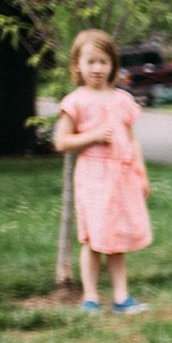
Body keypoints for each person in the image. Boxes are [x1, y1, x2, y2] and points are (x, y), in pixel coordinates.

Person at [53, 29, 153, 313]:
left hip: (121, 178)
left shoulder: (122, 99)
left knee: (117, 238)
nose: (97, 68)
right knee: (94, 239)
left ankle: (122, 297)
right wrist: (93, 135)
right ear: (77, 65)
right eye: (91, 62)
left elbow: (132, 140)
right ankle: (91, 297)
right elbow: (61, 141)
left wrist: (140, 172)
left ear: (113, 66)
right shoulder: (75, 101)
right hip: (93, 178)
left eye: (103, 62)